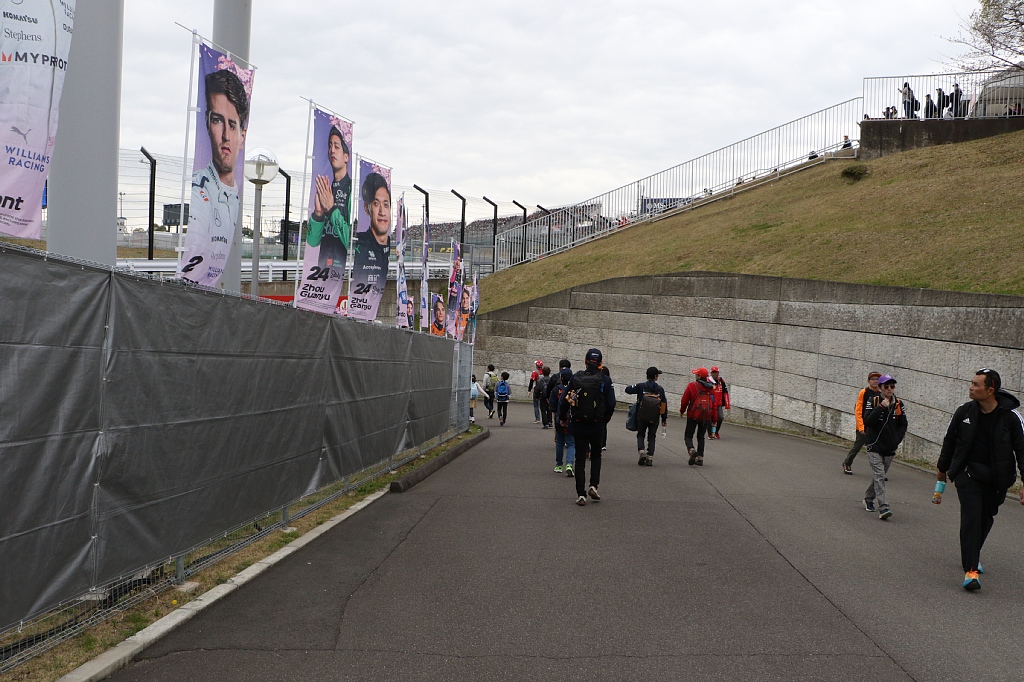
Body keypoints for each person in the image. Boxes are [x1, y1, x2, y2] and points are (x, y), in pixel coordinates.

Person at [936, 369, 1024, 591]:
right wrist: (942, 470)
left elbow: (1022, 451)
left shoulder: (1011, 417)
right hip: (968, 475)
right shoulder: (964, 412)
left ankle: (973, 553)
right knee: (972, 518)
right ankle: (971, 570)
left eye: (976, 384)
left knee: (986, 517)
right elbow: (949, 441)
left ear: (990, 389)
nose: (971, 387)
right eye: (971, 383)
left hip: (997, 479)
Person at [180, 69, 249, 286]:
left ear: (242, 136)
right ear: (208, 125)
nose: (226, 135)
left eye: (232, 125)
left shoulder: (237, 196)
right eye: (218, 121)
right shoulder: (198, 189)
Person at [559, 348, 616, 506]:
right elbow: (611, 404)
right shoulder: (605, 380)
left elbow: (565, 400)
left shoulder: (576, 378)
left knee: (580, 457)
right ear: (600, 363)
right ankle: (593, 486)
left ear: (585, 361)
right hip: (597, 424)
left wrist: (562, 417)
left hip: (578, 424)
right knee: (596, 455)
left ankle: (581, 494)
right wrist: (604, 419)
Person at [862, 374, 907, 521]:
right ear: (880, 388)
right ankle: (883, 507)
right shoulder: (873, 400)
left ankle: (868, 497)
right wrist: (881, 407)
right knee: (880, 476)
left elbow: (903, 424)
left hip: (890, 447)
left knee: (879, 476)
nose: (889, 389)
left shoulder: (899, 404)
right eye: (886, 386)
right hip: (874, 445)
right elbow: (868, 421)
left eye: (892, 386)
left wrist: (896, 440)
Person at [306, 126, 351, 273]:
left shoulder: (351, 190)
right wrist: (318, 215)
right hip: (322, 269)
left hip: (339, 270)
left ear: (346, 157)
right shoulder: (327, 188)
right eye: (330, 146)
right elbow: (312, 242)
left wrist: (331, 209)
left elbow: (347, 237)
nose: (332, 150)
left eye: (336, 147)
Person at [350, 172, 391, 313]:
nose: (382, 212)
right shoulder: (361, 244)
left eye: (386, 205)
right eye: (376, 204)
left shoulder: (391, 246)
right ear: (367, 208)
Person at [625, 366, 668, 466]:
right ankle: (650, 458)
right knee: (652, 436)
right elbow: (664, 405)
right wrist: (664, 419)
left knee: (641, 434)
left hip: (642, 416)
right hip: (654, 417)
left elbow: (628, 389)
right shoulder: (660, 389)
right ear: (655, 377)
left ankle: (641, 452)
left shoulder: (641, 386)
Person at [843, 372, 882, 474]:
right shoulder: (863, 392)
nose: (875, 381)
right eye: (873, 379)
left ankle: (879, 472)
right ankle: (847, 463)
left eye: (877, 379)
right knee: (857, 447)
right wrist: (861, 427)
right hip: (864, 426)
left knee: (879, 450)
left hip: (875, 427)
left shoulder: (881, 393)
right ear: (868, 381)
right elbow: (858, 411)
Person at [679, 367, 717, 466]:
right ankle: (700, 458)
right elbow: (714, 404)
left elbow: (684, 401)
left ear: (699, 376)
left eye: (696, 374)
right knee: (701, 436)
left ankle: (691, 450)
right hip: (706, 416)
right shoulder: (711, 388)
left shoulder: (692, 385)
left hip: (693, 415)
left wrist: (682, 411)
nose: (695, 375)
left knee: (688, 435)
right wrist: (714, 418)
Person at [549, 368, 576, 476]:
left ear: (561, 378)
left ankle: (559, 465)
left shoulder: (556, 390)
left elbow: (552, 406)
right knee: (571, 443)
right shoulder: (574, 390)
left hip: (559, 418)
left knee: (559, 442)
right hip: (572, 419)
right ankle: (569, 464)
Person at [709, 366, 730, 439]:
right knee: (709, 418)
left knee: (720, 417)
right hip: (710, 403)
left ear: (718, 373)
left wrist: (726, 403)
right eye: (713, 372)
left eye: (716, 372)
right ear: (711, 373)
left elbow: (725, 391)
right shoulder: (708, 381)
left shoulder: (721, 380)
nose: (715, 374)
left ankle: (716, 432)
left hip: (719, 403)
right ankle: (710, 433)